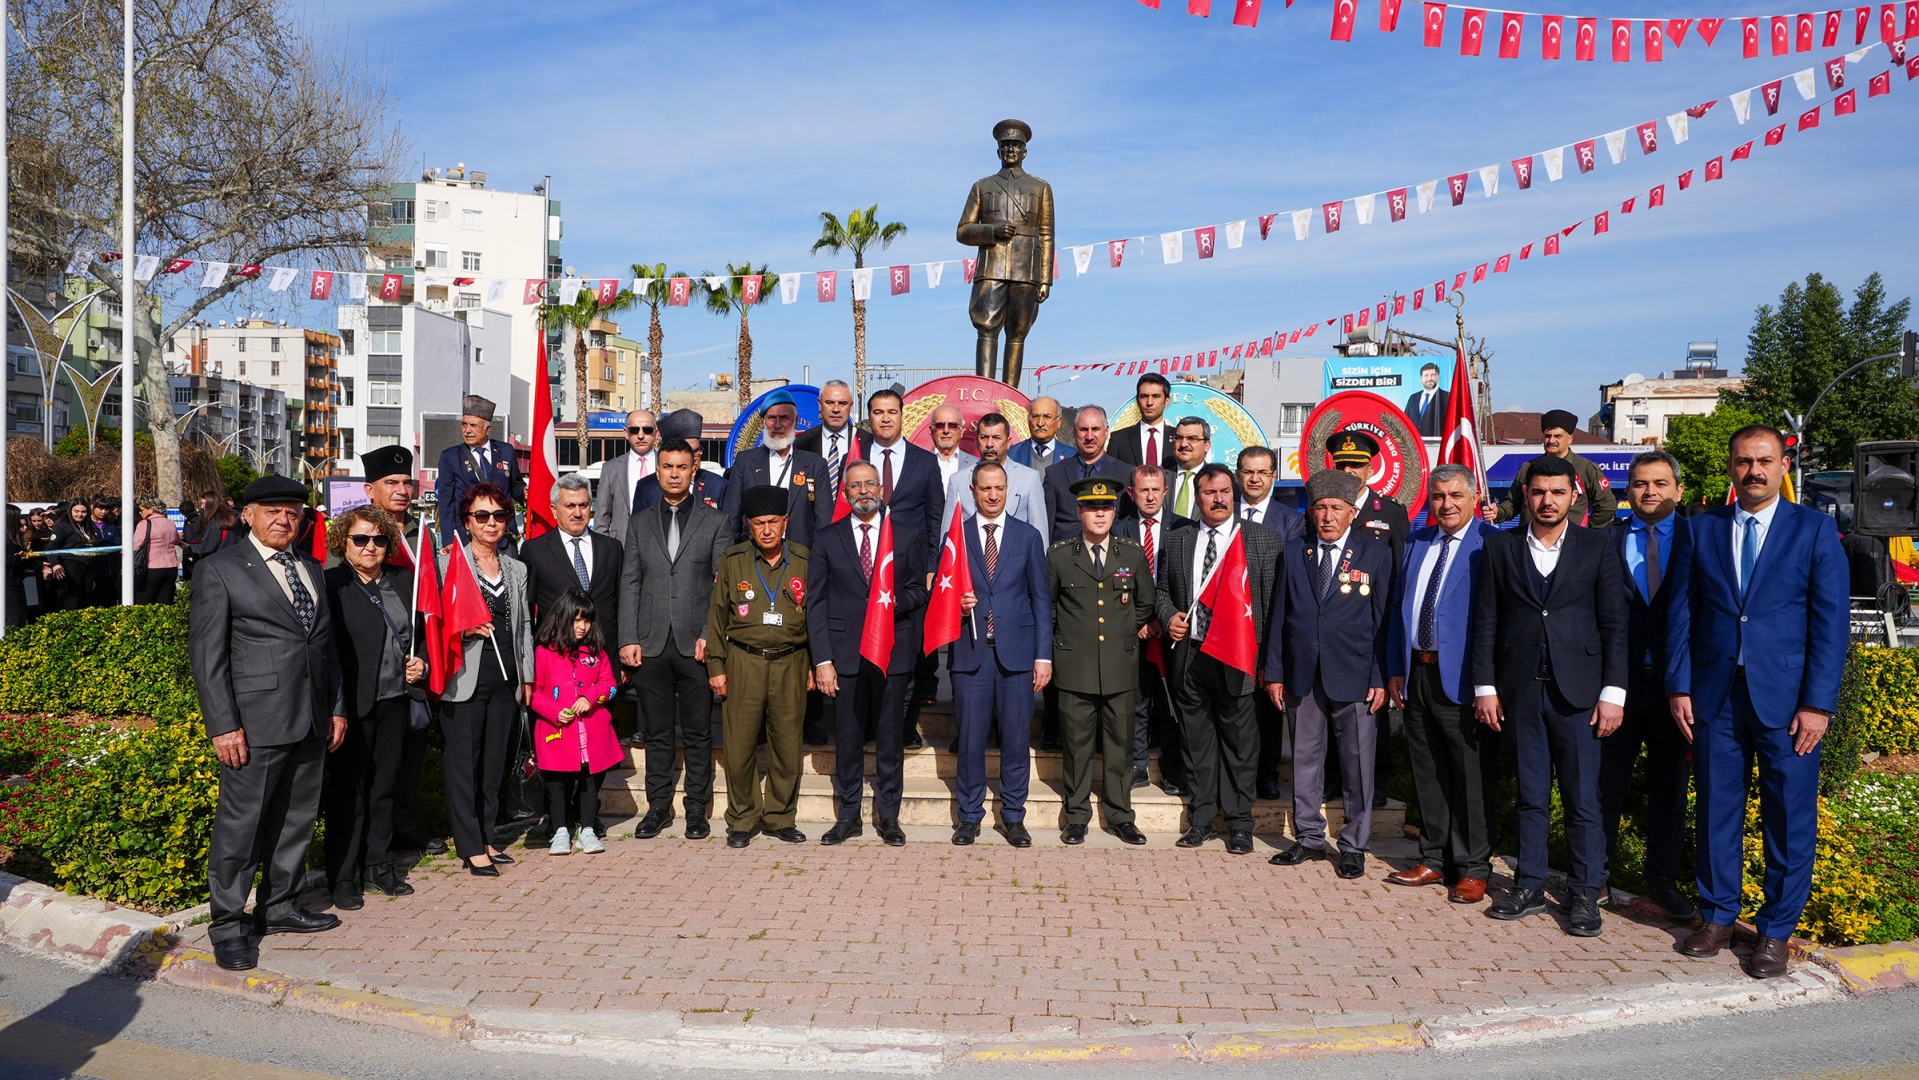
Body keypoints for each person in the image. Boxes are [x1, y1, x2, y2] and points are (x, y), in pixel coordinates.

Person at [1667, 425, 1848, 978]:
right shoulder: (1701, 529)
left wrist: (1818, 704)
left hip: (1790, 703)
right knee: (1717, 810)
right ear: (1730, 467)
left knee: (1789, 819)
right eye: (1744, 461)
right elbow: (1681, 613)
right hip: (1715, 699)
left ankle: (1774, 932)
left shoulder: (1815, 531)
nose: (1754, 471)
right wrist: (1679, 685)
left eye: (1765, 461)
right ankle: (1718, 916)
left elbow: (1830, 625)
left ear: (1783, 466)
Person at [190, 476, 347, 972]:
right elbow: (207, 657)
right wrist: (223, 725)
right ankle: (229, 924)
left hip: (311, 719)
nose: (284, 519)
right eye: (273, 510)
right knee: (242, 826)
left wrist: (336, 707)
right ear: (249, 515)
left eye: (292, 512)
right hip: (254, 725)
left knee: (297, 820)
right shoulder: (220, 570)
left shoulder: (313, 568)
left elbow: (326, 648)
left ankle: (279, 906)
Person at [1471, 454, 1627, 937]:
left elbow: (1615, 626)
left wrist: (1613, 693)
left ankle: (1584, 894)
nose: (1547, 501)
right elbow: (1486, 622)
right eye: (1538, 492)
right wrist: (1486, 687)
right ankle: (1530, 885)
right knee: (1531, 797)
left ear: (1573, 496)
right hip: (1520, 693)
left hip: (1580, 695)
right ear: (1526, 495)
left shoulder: (1597, 547)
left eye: (1557, 492)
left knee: (1583, 801)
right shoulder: (1499, 549)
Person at [1267, 469, 1393, 880]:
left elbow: (1383, 622)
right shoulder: (1293, 551)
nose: (1326, 516)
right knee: (1304, 758)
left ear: (1352, 513)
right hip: (1302, 672)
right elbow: (1279, 617)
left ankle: (1354, 845)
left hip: (1356, 673)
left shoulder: (1375, 553)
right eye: (1320, 508)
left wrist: (1380, 676)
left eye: (1336, 508)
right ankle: (1309, 839)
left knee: (1357, 762)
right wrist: (1275, 672)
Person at [1384, 464, 1500, 904]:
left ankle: (1473, 867)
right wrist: (1397, 666)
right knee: (1428, 770)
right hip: (1418, 673)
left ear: (1473, 498)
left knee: (1470, 776)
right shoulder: (1416, 541)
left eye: (1455, 495)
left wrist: (1488, 683)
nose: (1446, 504)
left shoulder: (1489, 544)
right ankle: (1434, 857)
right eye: (1438, 496)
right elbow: (1400, 606)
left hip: (1466, 679)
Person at [1157, 464, 1282, 855]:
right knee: (1196, 743)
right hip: (1191, 656)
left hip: (1238, 656)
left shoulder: (1262, 540)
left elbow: (1272, 607)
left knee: (1241, 743)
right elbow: (1162, 592)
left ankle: (1240, 824)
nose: (1219, 499)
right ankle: (1202, 820)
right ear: (1197, 497)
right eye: (1210, 493)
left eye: (1226, 491)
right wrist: (1169, 617)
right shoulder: (1177, 539)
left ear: (1235, 493)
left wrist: (1267, 662)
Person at [807, 460, 930, 846]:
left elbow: (917, 590)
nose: (863, 491)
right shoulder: (827, 538)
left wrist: (889, 604)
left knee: (891, 739)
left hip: (892, 652)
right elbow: (816, 602)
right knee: (847, 738)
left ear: (881, 490)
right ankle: (848, 816)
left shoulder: (905, 535)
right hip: (844, 657)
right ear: (845, 493)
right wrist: (822, 660)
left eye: (870, 484)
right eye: (855, 485)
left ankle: (889, 817)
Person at [1599, 450, 1697, 921]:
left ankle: (1662, 879)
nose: (1650, 491)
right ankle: (1593, 874)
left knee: (1669, 790)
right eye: (1640, 483)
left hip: (1679, 691)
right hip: (1618, 688)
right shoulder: (1604, 541)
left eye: (1660, 483)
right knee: (1604, 786)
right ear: (1627, 491)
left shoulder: (1703, 539)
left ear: (1678, 489)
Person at [619, 439, 730, 841]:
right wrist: (627, 636)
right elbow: (630, 581)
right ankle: (658, 808)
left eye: (682, 467)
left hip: (696, 644)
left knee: (700, 732)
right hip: (649, 642)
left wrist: (709, 637)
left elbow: (723, 586)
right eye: (667, 466)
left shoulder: (716, 522)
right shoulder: (639, 521)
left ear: (693, 471)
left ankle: (696, 809)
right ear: (658, 470)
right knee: (658, 733)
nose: (674, 473)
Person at [321, 505, 427, 910]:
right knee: (350, 792)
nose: (370, 547)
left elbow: (419, 634)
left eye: (379, 539)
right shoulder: (331, 584)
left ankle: (379, 866)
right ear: (343, 542)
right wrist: (335, 707)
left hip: (396, 699)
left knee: (384, 788)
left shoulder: (405, 581)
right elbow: (326, 651)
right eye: (360, 539)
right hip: (351, 705)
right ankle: (344, 876)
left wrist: (423, 664)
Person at [1047, 476, 1155, 845]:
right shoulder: (1060, 555)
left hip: (1119, 665)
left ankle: (1121, 815)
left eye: (1106, 507)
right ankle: (1076, 815)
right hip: (1074, 665)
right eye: (1092, 507)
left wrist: (1128, 632)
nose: (1099, 514)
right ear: (1079, 512)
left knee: (1120, 745)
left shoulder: (1131, 553)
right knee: (1076, 747)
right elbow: (1048, 605)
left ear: (1114, 511)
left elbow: (1145, 603)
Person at [949, 461, 1052, 847]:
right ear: (972, 490)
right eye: (985, 488)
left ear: (1008, 490)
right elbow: (941, 595)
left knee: (1014, 740)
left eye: (1000, 488)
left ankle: (1013, 817)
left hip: (1017, 654)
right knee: (971, 740)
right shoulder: (956, 536)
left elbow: (1042, 600)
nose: (993, 495)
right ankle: (970, 817)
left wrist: (1044, 656)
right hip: (971, 651)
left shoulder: (1027, 537)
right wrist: (957, 602)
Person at [705, 485, 813, 848]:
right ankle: (742, 818)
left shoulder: (803, 560)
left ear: (785, 522)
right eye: (758, 524)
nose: (766, 530)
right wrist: (716, 666)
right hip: (743, 662)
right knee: (739, 746)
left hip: (791, 663)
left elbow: (816, 618)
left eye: (772, 522)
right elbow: (717, 618)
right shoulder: (733, 560)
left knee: (787, 745)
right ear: (749, 526)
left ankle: (781, 817)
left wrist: (814, 664)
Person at [437, 482, 533, 877]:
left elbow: (525, 623)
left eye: (498, 515)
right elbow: (435, 623)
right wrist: (462, 629)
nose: (491, 523)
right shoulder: (448, 564)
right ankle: (469, 845)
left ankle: (488, 835)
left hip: (506, 675)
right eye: (482, 515)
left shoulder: (516, 568)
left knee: (494, 763)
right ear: (466, 521)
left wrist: (526, 676)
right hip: (464, 675)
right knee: (464, 763)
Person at [357, 446, 445, 858]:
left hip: (415, 661)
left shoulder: (424, 530)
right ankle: (373, 839)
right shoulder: (356, 531)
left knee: (410, 752)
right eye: (391, 483)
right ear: (370, 489)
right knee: (373, 764)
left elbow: (432, 605)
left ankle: (404, 825)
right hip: (372, 666)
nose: (402, 490)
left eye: (407, 482)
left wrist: (424, 656)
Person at [1327, 429, 1409, 808]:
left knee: (1373, 706)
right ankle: (1332, 780)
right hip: (1334, 625)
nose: (1349, 471)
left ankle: (1375, 782)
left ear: (1370, 468)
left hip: (1374, 624)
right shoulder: (1325, 507)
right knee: (1330, 702)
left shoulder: (1390, 513)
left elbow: (1399, 573)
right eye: (1342, 465)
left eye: (1356, 465)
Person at [1113, 464, 1192, 795]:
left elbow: (1189, 582)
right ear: (1132, 493)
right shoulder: (1117, 529)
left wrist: (1166, 616)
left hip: (1174, 631)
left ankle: (1173, 769)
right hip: (1132, 631)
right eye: (1142, 490)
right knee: (1136, 700)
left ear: (1165, 492)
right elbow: (1112, 584)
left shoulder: (1185, 528)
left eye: (1155, 490)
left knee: (1172, 703)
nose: (1149, 496)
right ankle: (1138, 764)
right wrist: (1140, 621)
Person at [1235, 446, 1305, 801]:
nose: (1255, 478)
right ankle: (1234, 771)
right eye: (1249, 471)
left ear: (1273, 476)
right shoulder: (1224, 511)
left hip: (1270, 623)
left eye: (1262, 472)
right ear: (1238, 475)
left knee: (1268, 704)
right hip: (1230, 625)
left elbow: (1290, 576)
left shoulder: (1291, 520)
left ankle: (1267, 773)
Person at [529, 588, 620, 856]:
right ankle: (559, 831)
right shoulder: (545, 651)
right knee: (558, 784)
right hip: (556, 731)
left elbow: (610, 685)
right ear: (561, 618)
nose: (581, 627)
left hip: (592, 732)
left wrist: (590, 697)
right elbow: (534, 692)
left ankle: (588, 829)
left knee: (590, 781)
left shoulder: (597, 651)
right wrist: (554, 711)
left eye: (587, 620)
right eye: (576, 620)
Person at [723, 390, 827, 549]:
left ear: (796, 420)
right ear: (765, 421)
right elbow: (732, 517)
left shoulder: (815, 464)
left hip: (801, 558)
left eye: (784, 418)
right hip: (753, 556)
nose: (777, 425)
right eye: (772, 418)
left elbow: (823, 521)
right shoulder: (745, 461)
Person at [1487, 409, 1618, 529]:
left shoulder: (1586, 469)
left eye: (1558, 436)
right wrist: (1498, 512)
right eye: (1548, 436)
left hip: (1570, 546)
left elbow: (1607, 507)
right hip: (1530, 543)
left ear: (1570, 438)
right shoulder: (1528, 468)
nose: (1551, 440)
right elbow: (1513, 504)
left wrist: (1584, 530)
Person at [435, 395, 525, 544]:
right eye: (464, 424)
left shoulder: (506, 451)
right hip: (467, 539)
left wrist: (524, 493)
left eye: (473, 425)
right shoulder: (450, 457)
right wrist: (449, 540)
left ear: (488, 429)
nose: (467, 430)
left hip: (503, 537)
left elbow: (516, 485)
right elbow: (446, 503)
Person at [863, 389, 943, 554]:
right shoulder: (854, 459)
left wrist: (932, 567)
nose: (886, 419)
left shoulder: (926, 461)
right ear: (870, 416)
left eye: (892, 412)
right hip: (866, 555)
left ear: (901, 416)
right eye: (878, 412)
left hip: (914, 561)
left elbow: (936, 519)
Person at [943, 412, 1047, 539]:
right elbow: (947, 537)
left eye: (997, 438)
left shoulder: (1030, 479)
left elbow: (1039, 535)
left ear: (1008, 442)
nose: (989, 444)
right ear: (976, 442)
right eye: (984, 437)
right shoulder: (958, 481)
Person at [1042, 404, 1134, 544]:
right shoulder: (1055, 474)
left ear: (1106, 431)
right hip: (1066, 559)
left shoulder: (1126, 473)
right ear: (1074, 432)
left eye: (1095, 429)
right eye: (1083, 429)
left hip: (1111, 559)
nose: (1089, 436)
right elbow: (1047, 526)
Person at [632, 410, 727, 514]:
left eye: (696, 450)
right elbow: (638, 526)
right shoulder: (647, 486)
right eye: (688, 452)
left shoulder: (717, 485)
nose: (694, 458)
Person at [795, 380, 870, 499]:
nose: (836, 409)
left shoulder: (868, 442)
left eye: (842, 403)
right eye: (830, 403)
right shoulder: (800, 443)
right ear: (819, 404)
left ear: (851, 406)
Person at [594, 408, 658, 540]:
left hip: (659, 548)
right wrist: (605, 550)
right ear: (626, 433)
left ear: (656, 434)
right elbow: (602, 516)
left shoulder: (667, 466)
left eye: (647, 430)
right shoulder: (611, 468)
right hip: (621, 547)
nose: (641, 436)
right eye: (634, 430)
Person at [1109, 373, 1177, 468]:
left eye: (1156, 396)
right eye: (1144, 396)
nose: (1149, 402)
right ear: (1137, 401)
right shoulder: (1119, 439)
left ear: (1166, 401)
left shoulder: (1179, 438)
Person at [45, 500, 97, 610]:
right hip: (70, 569)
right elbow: (51, 548)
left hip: (86, 569)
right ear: (70, 511)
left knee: (85, 604)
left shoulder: (87, 526)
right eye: (76, 511)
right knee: (71, 604)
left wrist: (91, 577)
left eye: (83, 511)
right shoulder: (62, 526)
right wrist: (55, 564)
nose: (80, 514)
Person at [131, 494, 181, 605]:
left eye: (142, 509)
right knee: (165, 602)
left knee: (145, 602)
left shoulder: (145, 524)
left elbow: (135, 545)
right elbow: (177, 540)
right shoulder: (170, 523)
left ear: (151, 509)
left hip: (152, 568)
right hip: (172, 567)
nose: (140, 513)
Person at [184, 493, 242, 580]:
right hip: (234, 559)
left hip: (218, 562)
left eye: (204, 503)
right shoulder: (233, 516)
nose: (202, 507)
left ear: (211, 503)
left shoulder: (215, 520)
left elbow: (209, 546)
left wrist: (190, 547)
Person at [1165, 417, 1211, 521]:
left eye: (1192, 438)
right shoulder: (1160, 479)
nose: (1184, 444)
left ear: (1207, 445)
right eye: (1179, 438)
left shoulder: (1218, 481)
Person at [1007, 396, 1065, 473]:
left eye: (1047, 417)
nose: (1040, 423)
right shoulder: (1010, 455)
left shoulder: (1073, 456)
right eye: (1035, 416)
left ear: (1059, 422)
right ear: (1028, 420)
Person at [1404, 362, 1450, 438]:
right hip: (1414, 445)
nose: (1429, 379)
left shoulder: (1447, 397)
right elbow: (1405, 422)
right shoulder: (1413, 398)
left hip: (1437, 445)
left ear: (1438, 377)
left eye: (1433, 375)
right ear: (1421, 379)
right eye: (1426, 375)